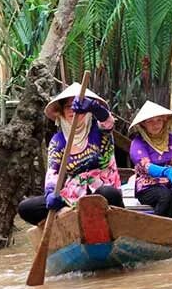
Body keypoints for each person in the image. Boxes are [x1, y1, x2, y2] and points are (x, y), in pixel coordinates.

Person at [17, 82, 123, 226]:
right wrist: (50, 193)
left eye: (77, 105)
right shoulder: (58, 141)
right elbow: (53, 172)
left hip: (102, 191)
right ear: (61, 112)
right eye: (68, 106)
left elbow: (107, 122)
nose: (73, 110)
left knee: (107, 195)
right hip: (72, 197)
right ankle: (68, 219)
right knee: (26, 207)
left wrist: (93, 107)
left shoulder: (98, 130)